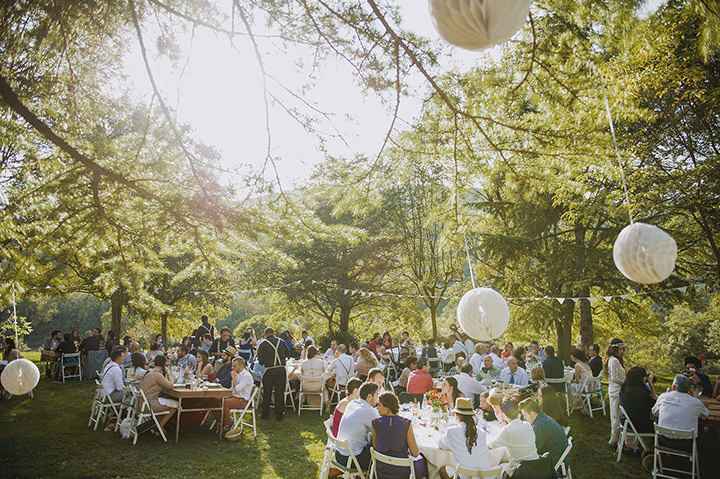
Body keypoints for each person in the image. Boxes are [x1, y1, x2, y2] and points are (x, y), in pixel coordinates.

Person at [644, 374, 709, 473]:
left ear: (673, 387)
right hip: (686, 444)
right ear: (689, 389)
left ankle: (660, 461)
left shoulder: (663, 397)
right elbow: (705, 414)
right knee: (703, 435)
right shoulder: (695, 402)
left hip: (663, 441)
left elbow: (654, 412)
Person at [372, 392, 427, 479]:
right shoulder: (405, 423)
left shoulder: (375, 423)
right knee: (424, 462)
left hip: (381, 470)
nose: (377, 408)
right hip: (402, 472)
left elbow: (375, 445)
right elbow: (415, 453)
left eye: (379, 405)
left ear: (388, 407)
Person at [437, 396, 490, 478]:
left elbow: (440, 444)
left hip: (465, 475)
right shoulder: (482, 433)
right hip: (484, 476)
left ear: (456, 414)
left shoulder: (452, 431)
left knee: (443, 470)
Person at [488, 396, 539, 477]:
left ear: (502, 411)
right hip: (535, 469)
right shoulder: (527, 425)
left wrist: (500, 420)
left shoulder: (508, 430)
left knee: (494, 470)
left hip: (520, 473)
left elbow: (490, 446)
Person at [335, 382, 380, 470]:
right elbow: (382, 430)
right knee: (382, 456)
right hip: (351, 459)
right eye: (376, 396)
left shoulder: (353, 403)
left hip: (339, 454)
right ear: (369, 397)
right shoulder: (368, 411)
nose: (377, 399)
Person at [519, 398, 569, 470]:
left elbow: (534, 449)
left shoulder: (539, 425)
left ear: (532, 413)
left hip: (556, 463)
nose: (524, 418)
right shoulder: (542, 417)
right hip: (561, 457)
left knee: (523, 464)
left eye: (525, 415)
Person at [257, 327, 291, 421]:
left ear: (265, 334)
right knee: (280, 392)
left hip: (270, 369)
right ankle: (279, 415)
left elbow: (260, 360)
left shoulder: (263, 344)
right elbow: (288, 353)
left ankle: (265, 414)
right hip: (281, 369)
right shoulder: (281, 341)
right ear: (274, 333)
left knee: (267, 392)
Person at [138, 354, 178, 432]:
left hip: (141, 403)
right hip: (149, 405)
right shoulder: (157, 375)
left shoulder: (149, 372)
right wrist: (168, 373)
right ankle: (160, 426)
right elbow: (170, 386)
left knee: (167, 402)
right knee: (174, 407)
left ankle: (158, 424)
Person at [620, 366, 657, 449]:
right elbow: (654, 401)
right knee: (657, 424)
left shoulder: (625, 389)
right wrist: (651, 385)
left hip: (625, 421)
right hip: (637, 424)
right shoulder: (641, 392)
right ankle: (652, 450)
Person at [217, 357, 254, 433]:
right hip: (235, 396)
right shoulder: (236, 373)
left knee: (225, 403)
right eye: (232, 366)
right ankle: (220, 421)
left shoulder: (246, 376)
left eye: (234, 366)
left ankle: (228, 424)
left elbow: (237, 389)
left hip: (243, 400)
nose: (232, 368)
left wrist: (233, 377)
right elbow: (232, 389)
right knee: (216, 400)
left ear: (240, 367)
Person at [604, 338, 626, 446]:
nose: (622, 352)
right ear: (614, 349)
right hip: (616, 390)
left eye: (622, 349)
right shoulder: (613, 360)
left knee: (618, 414)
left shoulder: (616, 360)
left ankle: (620, 437)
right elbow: (614, 377)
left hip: (619, 390)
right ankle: (614, 438)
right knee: (615, 414)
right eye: (620, 349)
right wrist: (626, 383)